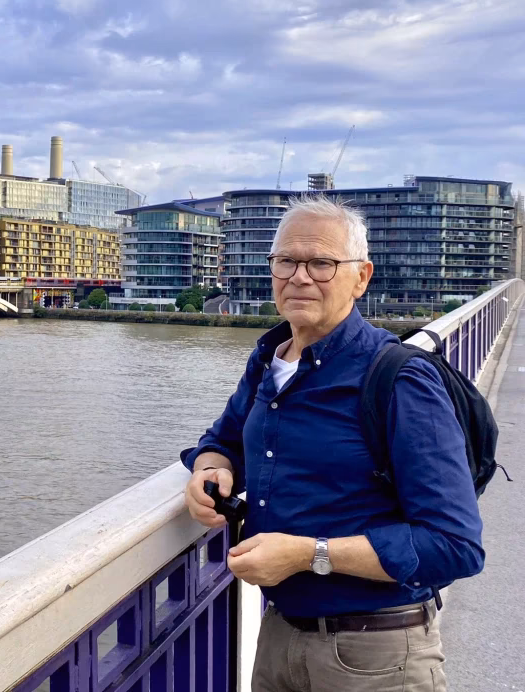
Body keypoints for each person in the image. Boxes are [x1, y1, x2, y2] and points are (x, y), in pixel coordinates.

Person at [181, 195, 483, 692]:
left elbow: (455, 545)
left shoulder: (399, 379)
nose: (300, 277)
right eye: (286, 261)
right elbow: (223, 438)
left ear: (361, 277)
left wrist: (309, 554)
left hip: (376, 655)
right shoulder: (269, 360)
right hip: (278, 638)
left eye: (321, 263)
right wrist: (210, 469)